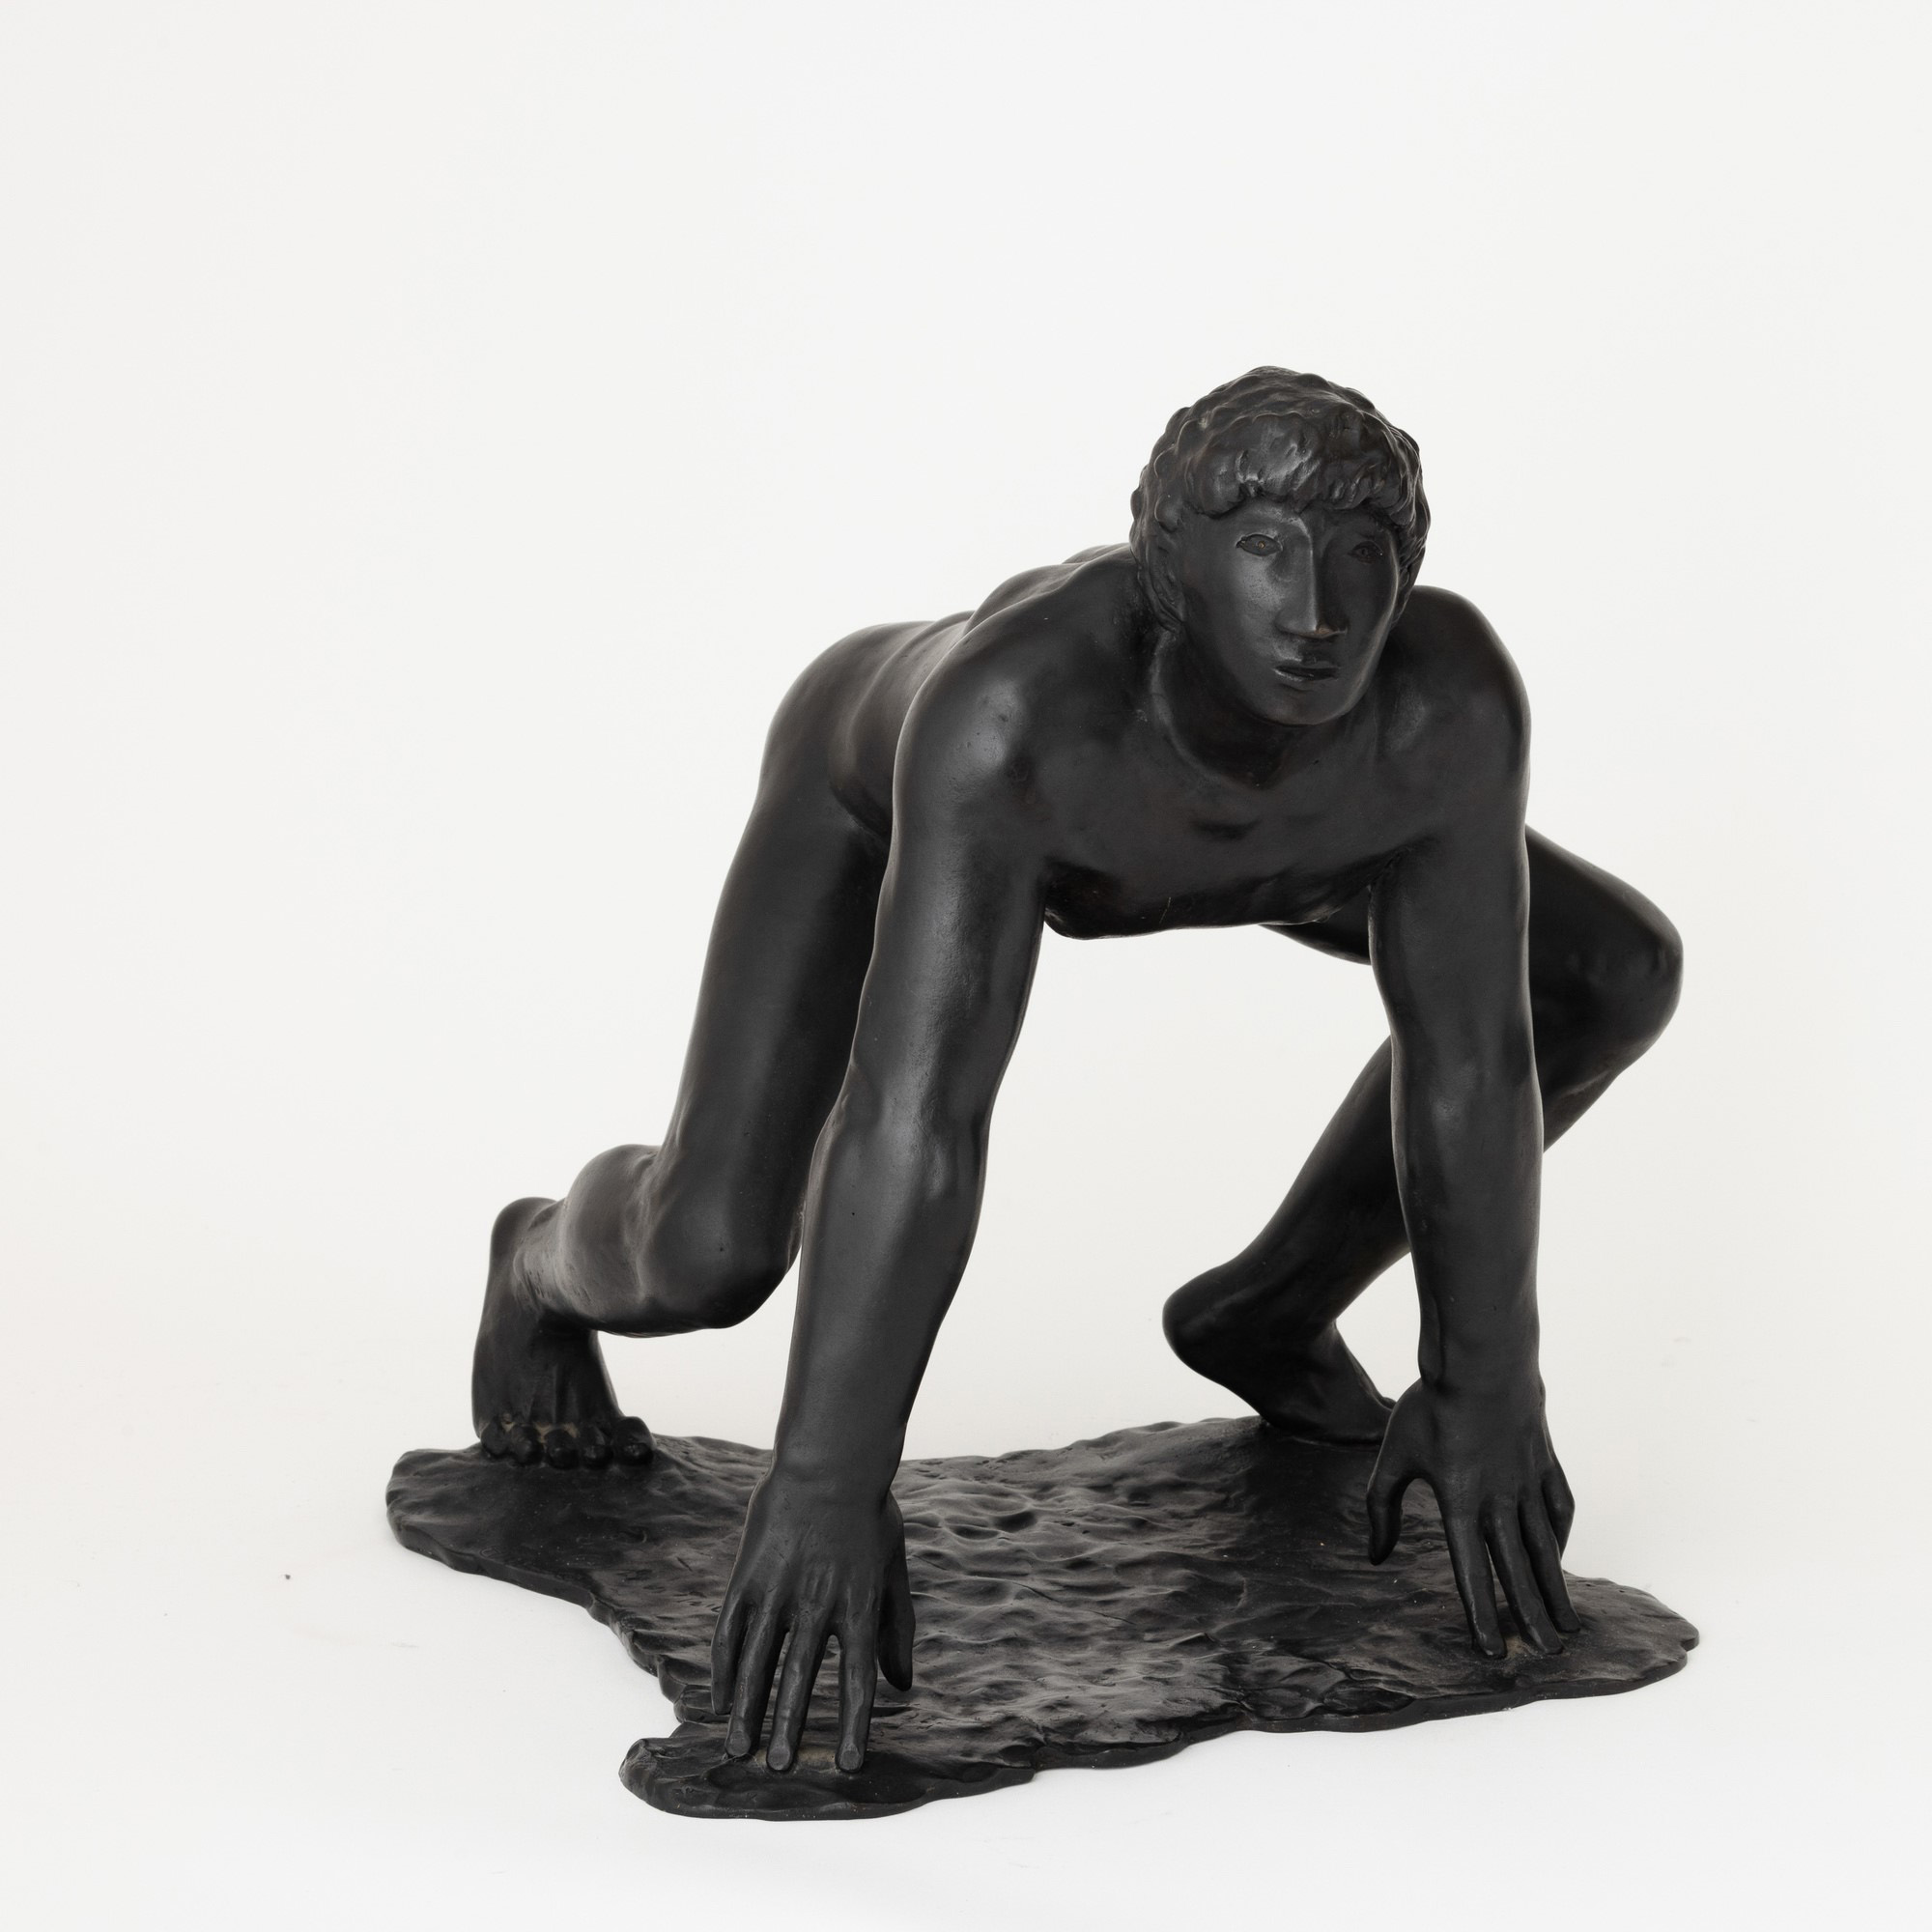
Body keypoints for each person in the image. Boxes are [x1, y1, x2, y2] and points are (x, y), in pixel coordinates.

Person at [469, 368, 1683, 1775]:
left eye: (1362, 557)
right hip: (879, 798)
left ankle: (1266, 1314)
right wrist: (826, 1482)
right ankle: (534, 1263)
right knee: (711, 1253)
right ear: (1174, 566)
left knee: (1610, 972)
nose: (1319, 612)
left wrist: (1486, 1387)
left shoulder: (1443, 703)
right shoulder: (1016, 718)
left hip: (1277, 839)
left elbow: (1471, 1062)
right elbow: (917, 1122)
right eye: (1268, 550)